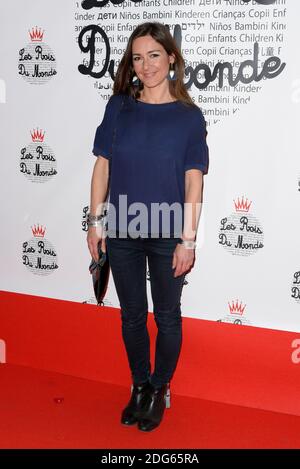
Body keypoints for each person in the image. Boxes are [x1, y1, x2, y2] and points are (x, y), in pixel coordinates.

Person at [87, 21, 209, 432]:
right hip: (121, 227)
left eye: (154, 55)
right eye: (137, 57)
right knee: (132, 316)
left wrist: (187, 240)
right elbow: (102, 166)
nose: (146, 65)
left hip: (167, 230)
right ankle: (139, 386)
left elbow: (194, 180)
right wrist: (95, 221)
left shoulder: (189, 118)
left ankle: (159, 388)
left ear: (171, 57)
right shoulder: (118, 107)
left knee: (168, 317)